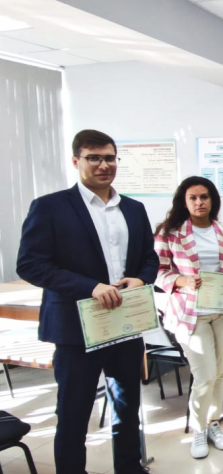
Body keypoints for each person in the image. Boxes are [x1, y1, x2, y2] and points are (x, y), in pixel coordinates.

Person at [16, 129, 158, 473]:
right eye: (94, 158)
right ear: (76, 161)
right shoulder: (50, 207)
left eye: (109, 158)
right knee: (74, 414)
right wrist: (90, 286)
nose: (103, 165)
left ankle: (130, 467)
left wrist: (140, 278)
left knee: (127, 408)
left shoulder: (134, 209)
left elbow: (149, 258)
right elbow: (30, 264)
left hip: (124, 324)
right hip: (75, 329)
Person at [153, 176, 223, 458]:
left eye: (204, 197)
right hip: (189, 315)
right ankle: (198, 429)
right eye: (192, 197)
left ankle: (213, 423)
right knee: (204, 376)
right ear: (184, 201)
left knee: (219, 374)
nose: (199, 202)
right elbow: (158, 272)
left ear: (212, 200)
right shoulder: (169, 233)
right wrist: (182, 281)